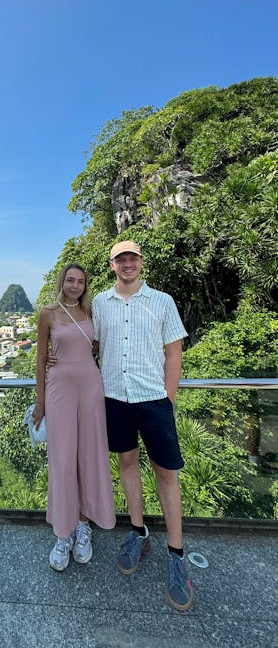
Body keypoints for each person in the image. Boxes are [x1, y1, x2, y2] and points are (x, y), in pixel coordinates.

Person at [92, 240, 193, 611]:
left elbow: (174, 352)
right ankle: (138, 531)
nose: (128, 263)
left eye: (133, 257)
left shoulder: (162, 301)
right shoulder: (101, 303)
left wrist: (168, 397)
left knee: (166, 473)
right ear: (112, 263)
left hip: (154, 400)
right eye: (121, 258)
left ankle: (177, 553)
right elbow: (91, 344)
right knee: (127, 464)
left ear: (141, 261)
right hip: (116, 398)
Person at [34, 263, 115, 571]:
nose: (75, 285)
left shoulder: (91, 313)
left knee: (88, 458)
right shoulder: (48, 314)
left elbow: (96, 344)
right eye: (70, 280)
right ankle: (63, 533)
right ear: (62, 282)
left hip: (91, 390)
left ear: (85, 285)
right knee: (63, 460)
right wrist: (40, 404)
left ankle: (83, 527)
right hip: (59, 392)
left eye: (81, 281)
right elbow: (41, 359)